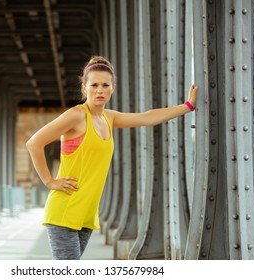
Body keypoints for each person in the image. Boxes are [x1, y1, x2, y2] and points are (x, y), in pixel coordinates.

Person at [26, 55, 198, 260]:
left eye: (105, 85)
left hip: (86, 214)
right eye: (94, 85)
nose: (100, 90)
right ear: (84, 88)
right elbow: (34, 143)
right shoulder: (76, 115)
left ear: (113, 88)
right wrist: (49, 181)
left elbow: (146, 118)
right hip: (65, 210)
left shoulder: (109, 118)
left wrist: (187, 106)